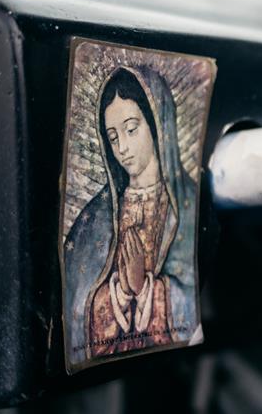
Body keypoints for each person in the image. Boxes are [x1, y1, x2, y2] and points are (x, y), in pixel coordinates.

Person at [63, 66, 200, 369]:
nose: (122, 148)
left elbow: (195, 295)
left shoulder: (189, 205)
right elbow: (75, 308)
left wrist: (149, 288)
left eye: (131, 129)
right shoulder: (95, 219)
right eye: (113, 137)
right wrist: (121, 292)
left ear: (156, 124)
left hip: (176, 370)